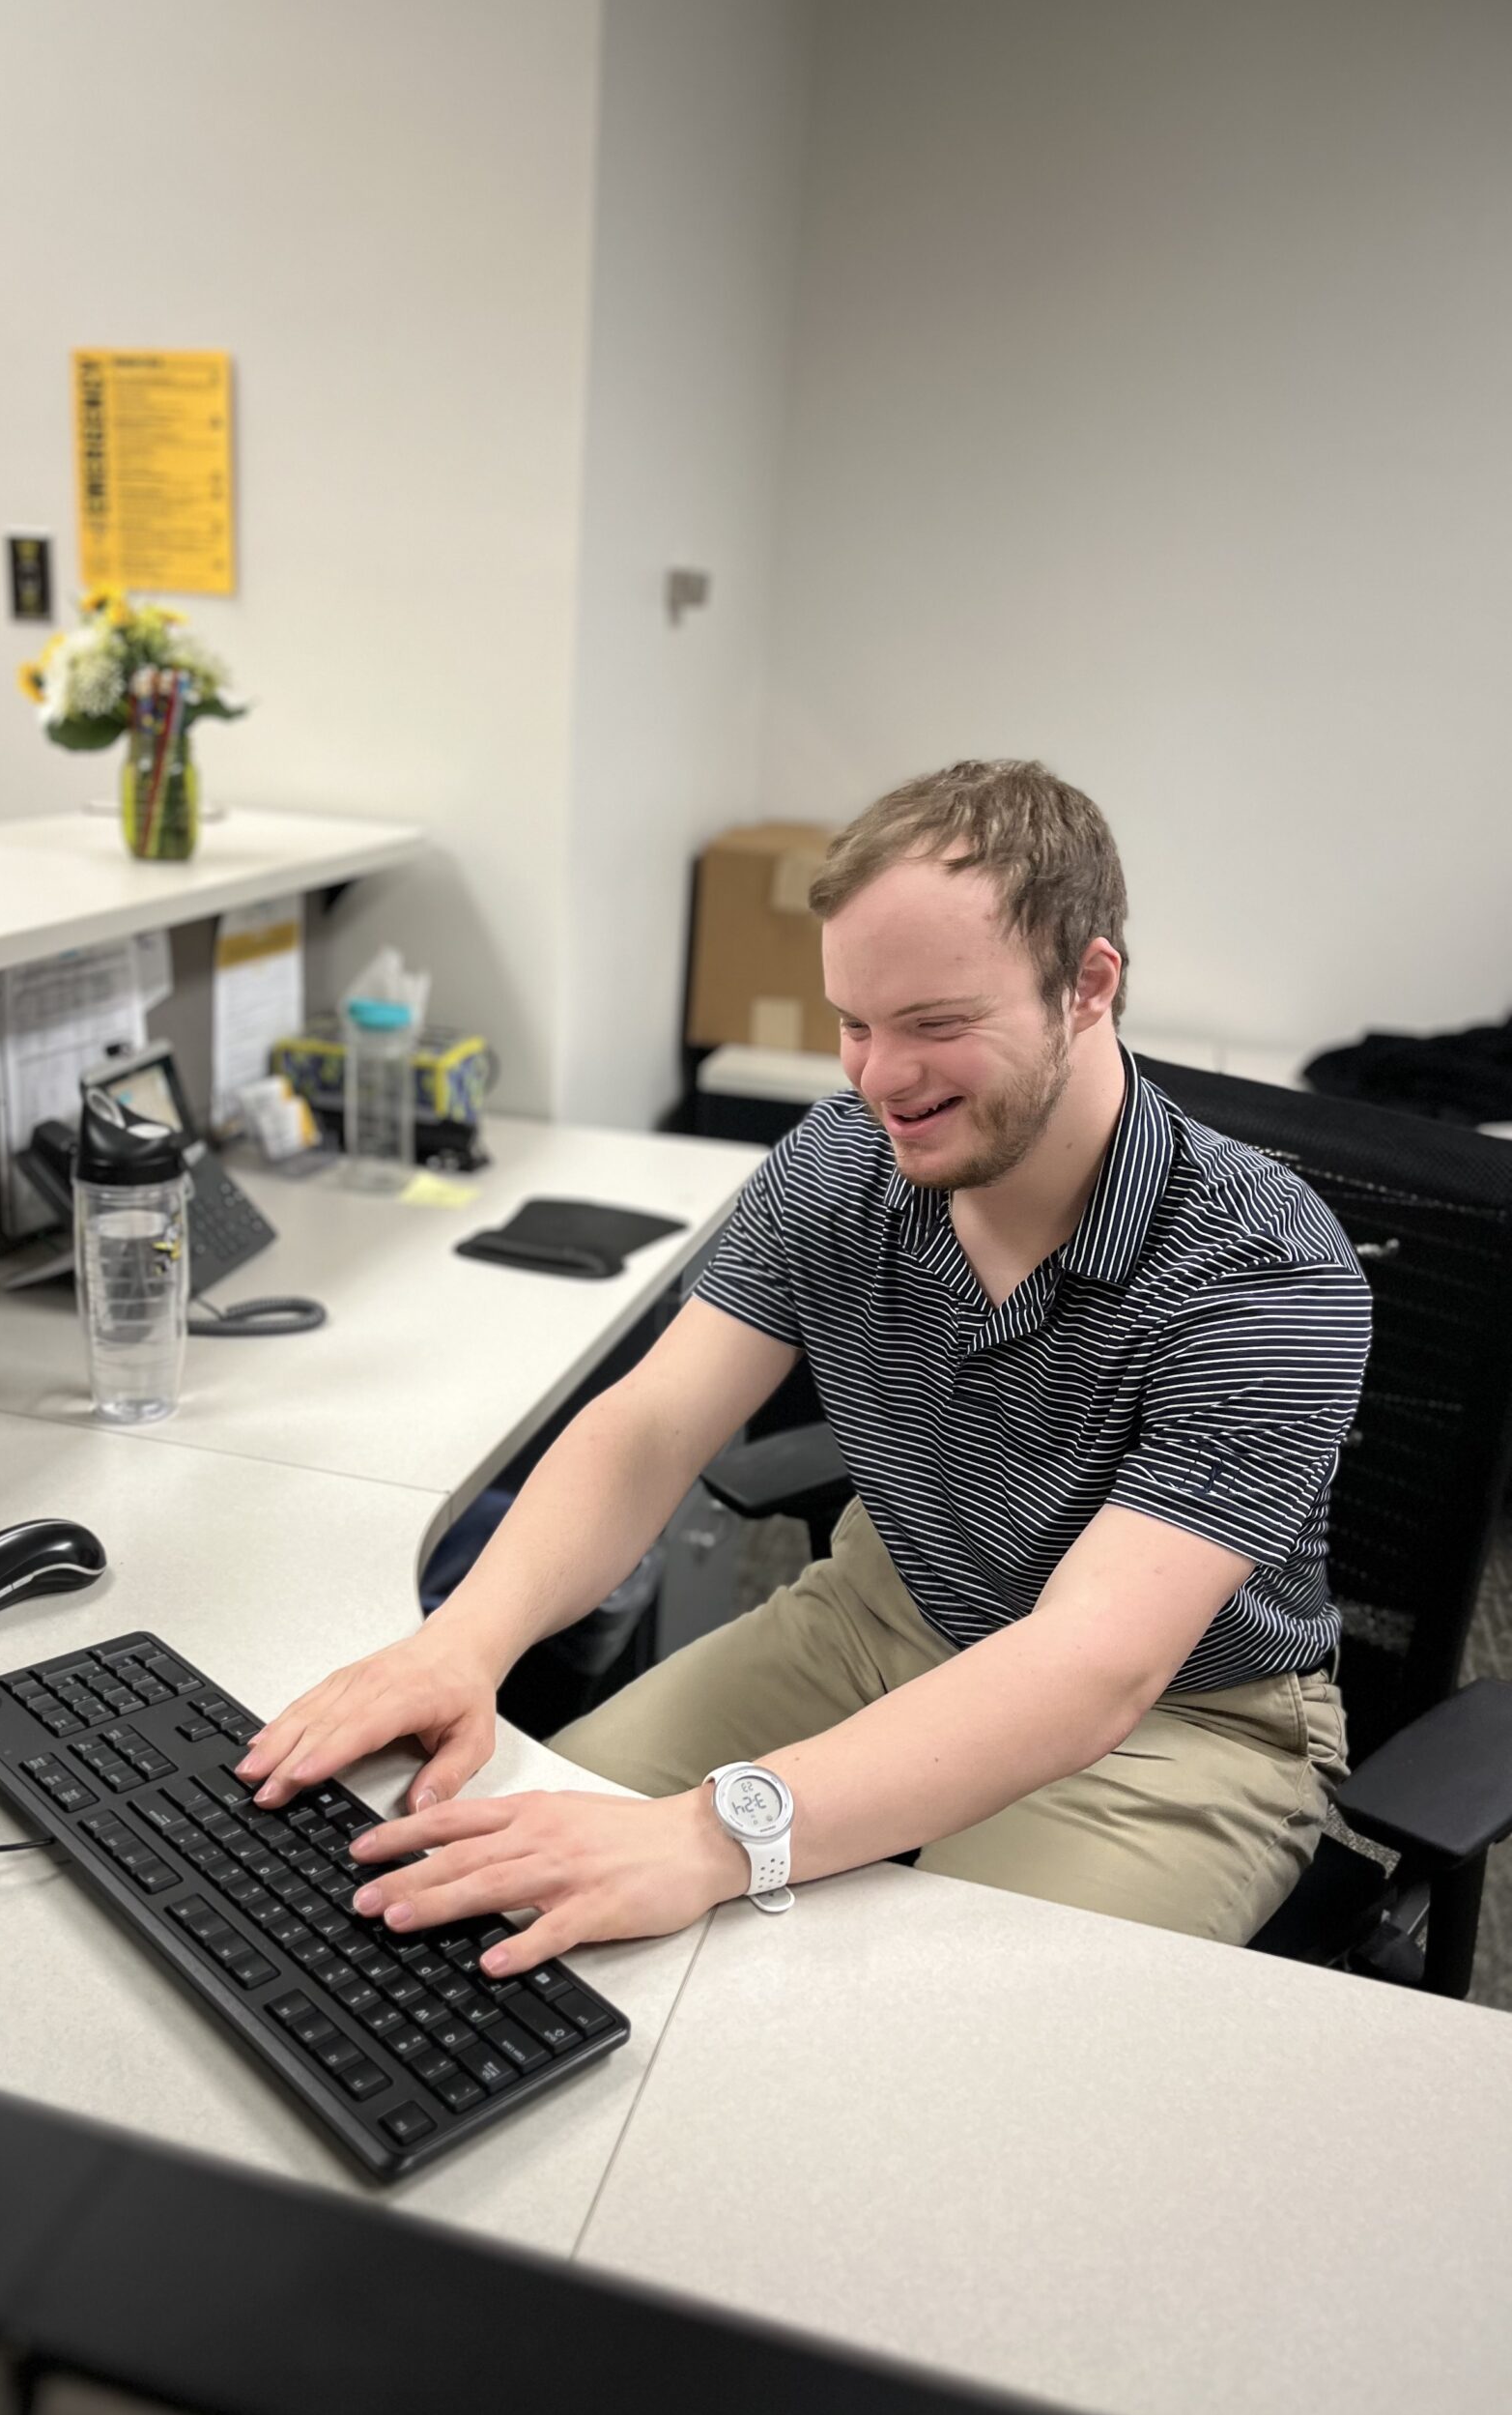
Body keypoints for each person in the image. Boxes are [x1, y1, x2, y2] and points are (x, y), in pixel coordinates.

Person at [237, 759, 1370, 1985]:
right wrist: (465, 1640)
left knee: (916, 2039)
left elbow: (1093, 1664)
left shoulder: (1265, 1265)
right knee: (488, 1870)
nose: (881, 1078)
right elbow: (653, 1425)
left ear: (1088, 986)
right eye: (855, 1023)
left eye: (937, 1024)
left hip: (1176, 1722)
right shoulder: (841, 1161)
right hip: (882, 1615)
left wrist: (712, 1835)